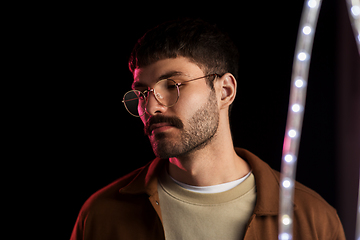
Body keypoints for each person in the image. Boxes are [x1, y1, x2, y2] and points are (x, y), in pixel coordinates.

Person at [71, 18, 345, 240]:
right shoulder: (101, 216)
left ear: (225, 91)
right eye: (142, 93)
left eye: (172, 85)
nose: (151, 107)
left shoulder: (311, 219)